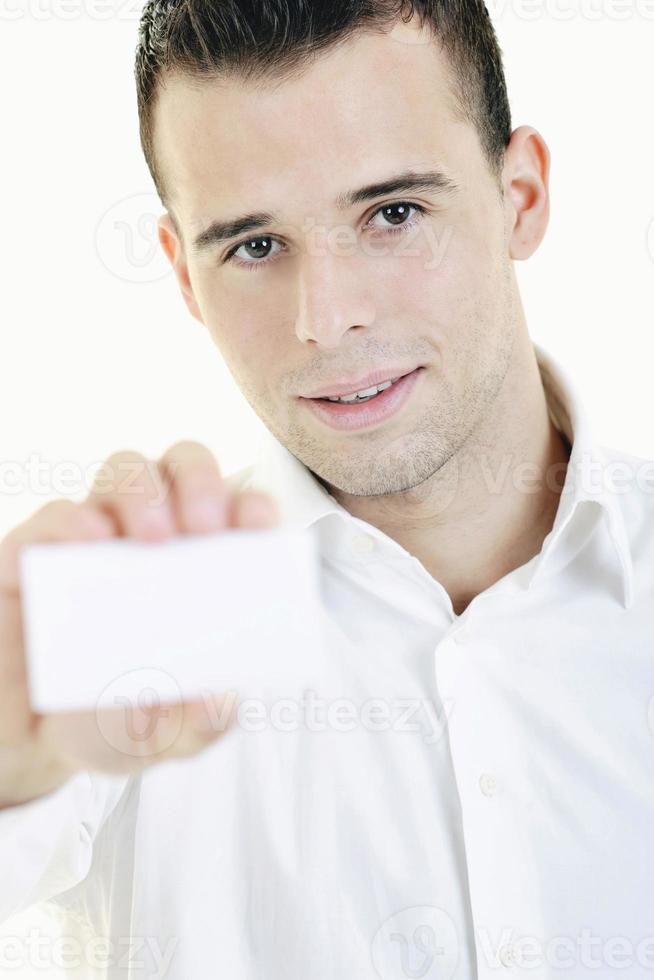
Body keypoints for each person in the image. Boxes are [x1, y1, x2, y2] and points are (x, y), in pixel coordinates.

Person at [1, 2, 653, 977]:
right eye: (254, 245)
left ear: (520, 196)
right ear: (183, 274)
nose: (329, 317)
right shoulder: (128, 634)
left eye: (392, 213)